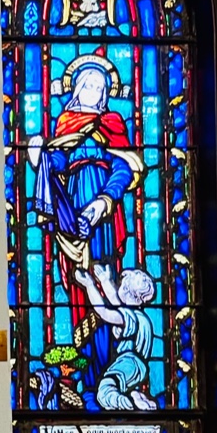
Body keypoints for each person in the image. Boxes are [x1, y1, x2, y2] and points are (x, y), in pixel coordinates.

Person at [29, 58, 143, 382]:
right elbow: (56, 167)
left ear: (106, 94)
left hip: (103, 217)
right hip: (71, 212)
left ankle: (110, 369)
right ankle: (88, 377)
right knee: (79, 285)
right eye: (88, 85)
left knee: (103, 277)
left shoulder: (113, 124)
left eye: (99, 87)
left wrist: (100, 204)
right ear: (77, 90)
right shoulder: (66, 123)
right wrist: (41, 157)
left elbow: (124, 169)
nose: (93, 91)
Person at [74, 266, 158, 411]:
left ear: (126, 291)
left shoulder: (129, 317)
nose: (118, 289)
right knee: (119, 384)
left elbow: (103, 311)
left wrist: (90, 285)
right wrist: (105, 281)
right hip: (137, 366)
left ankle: (130, 404)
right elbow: (115, 300)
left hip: (129, 361)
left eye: (122, 286)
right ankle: (135, 396)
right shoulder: (141, 318)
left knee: (105, 389)